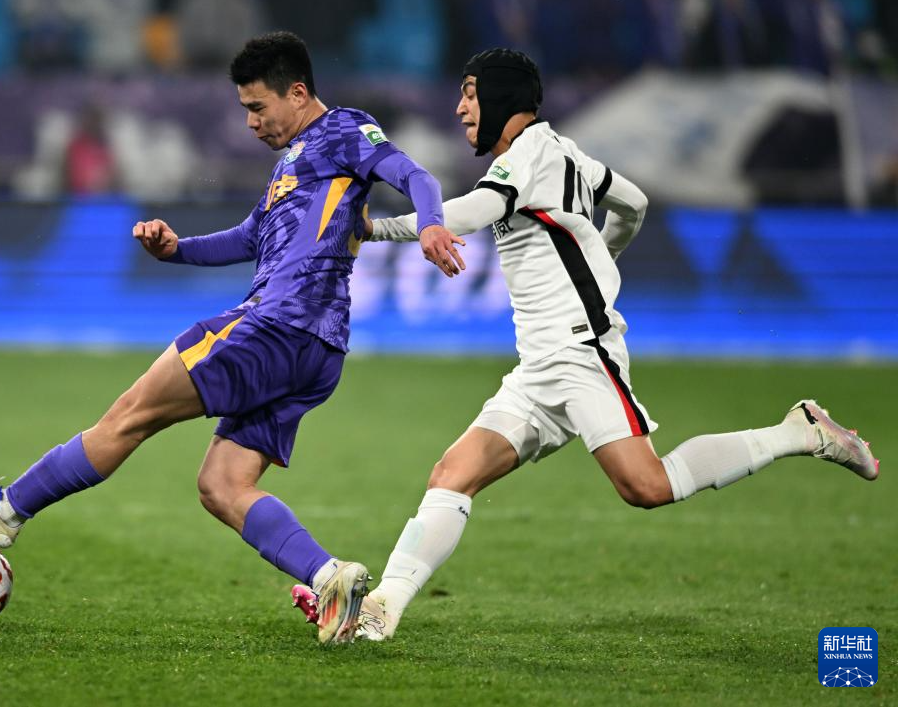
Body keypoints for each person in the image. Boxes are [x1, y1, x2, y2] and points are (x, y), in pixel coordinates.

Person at [291, 48, 879, 640]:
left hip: (580, 353)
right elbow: (633, 203)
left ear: (501, 96)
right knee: (452, 473)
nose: (461, 107)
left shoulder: (527, 158)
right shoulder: (562, 153)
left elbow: (474, 211)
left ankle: (799, 431)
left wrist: (379, 228)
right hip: (539, 366)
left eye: (470, 93)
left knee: (646, 486)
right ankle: (382, 609)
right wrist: (601, 255)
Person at [0, 31, 464, 646]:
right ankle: (330, 579)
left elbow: (414, 175)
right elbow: (249, 238)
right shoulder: (293, 161)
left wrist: (431, 225)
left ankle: (7, 508)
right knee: (223, 486)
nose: (251, 122)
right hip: (317, 351)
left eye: (258, 107)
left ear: (297, 93)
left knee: (131, 414)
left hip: (276, 325)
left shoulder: (343, 130)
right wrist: (176, 249)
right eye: (244, 109)